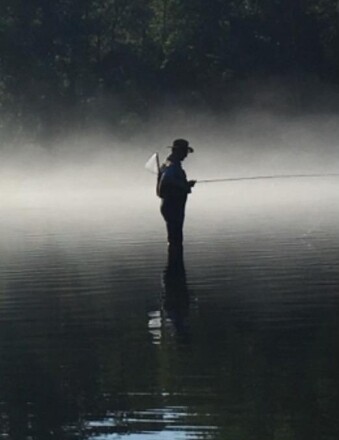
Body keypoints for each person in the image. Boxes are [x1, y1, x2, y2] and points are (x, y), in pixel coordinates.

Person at [157, 138, 196, 248]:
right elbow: (168, 181)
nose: (186, 155)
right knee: (176, 239)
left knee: (174, 238)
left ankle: (173, 262)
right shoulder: (172, 165)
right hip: (172, 206)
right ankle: (175, 263)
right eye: (184, 152)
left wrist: (186, 184)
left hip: (169, 205)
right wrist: (185, 185)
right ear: (177, 151)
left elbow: (171, 182)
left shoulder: (168, 163)